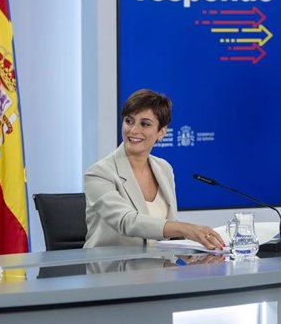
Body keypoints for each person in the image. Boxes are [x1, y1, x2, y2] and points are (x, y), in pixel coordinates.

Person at [83, 89, 226, 249]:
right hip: (111, 270)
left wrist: (188, 252)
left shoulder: (164, 168)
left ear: (162, 132)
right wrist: (186, 229)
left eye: (145, 124)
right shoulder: (99, 173)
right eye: (129, 121)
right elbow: (126, 221)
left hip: (159, 268)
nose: (133, 130)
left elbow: (165, 236)